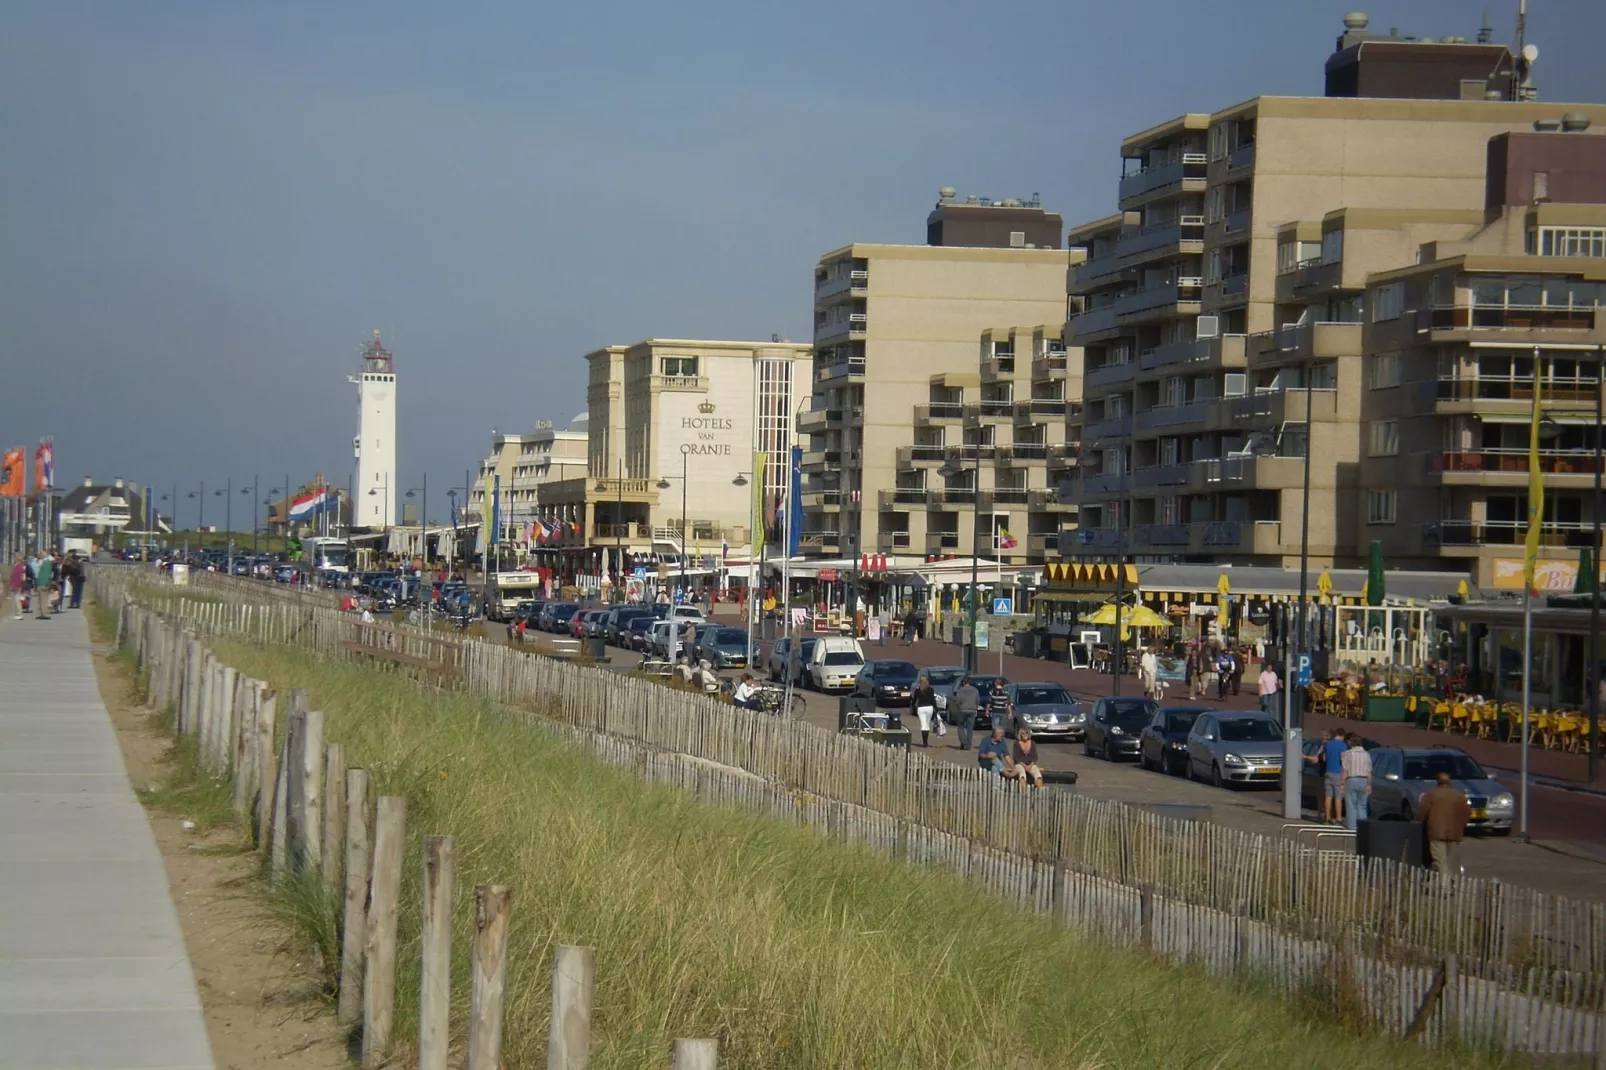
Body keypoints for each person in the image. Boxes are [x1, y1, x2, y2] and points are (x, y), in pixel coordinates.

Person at [1417, 771, 1472, 875]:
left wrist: (1422, 820)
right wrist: (1461, 825)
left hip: (1437, 832)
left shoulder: (1432, 794)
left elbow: (1422, 812)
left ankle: (1444, 888)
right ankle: (1451, 884)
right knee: (1450, 862)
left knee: (1440, 861)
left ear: (1438, 781)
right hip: (1454, 833)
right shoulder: (1459, 795)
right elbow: (1467, 813)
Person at [1303, 728, 1348, 825]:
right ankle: (1338, 818)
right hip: (1338, 772)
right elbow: (1344, 761)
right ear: (1342, 736)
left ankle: (1327, 818)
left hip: (1328, 772)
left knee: (1328, 796)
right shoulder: (1343, 745)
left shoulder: (1328, 745)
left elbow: (1324, 758)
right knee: (1338, 798)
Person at [1340, 734, 1372, 831]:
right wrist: (1369, 785)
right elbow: (1369, 771)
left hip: (1351, 779)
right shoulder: (1367, 754)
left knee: (1351, 805)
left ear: (1351, 743)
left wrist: (1342, 783)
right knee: (1362, 805)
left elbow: (1345, 770)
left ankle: (1352, 828)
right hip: (1364, 780)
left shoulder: (1347, 754)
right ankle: (1362, 828)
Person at [952, 676, 981, 750]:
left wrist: (960, 707)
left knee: (961, 726)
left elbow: (957, 701)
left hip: (963, 710)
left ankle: (963, 741)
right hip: (972, 710)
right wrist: (976, 708)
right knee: (970, 728)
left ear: (963, 682)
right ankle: (968, 745)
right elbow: (977, 701)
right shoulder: (975, 690)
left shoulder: (960, 690)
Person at [911, 673, 937, 747]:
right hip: (929, 708)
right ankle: (926, 741)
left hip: (921, 708)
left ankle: (924, 742)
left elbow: (914, 700)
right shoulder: (931, 689)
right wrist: (936, 708)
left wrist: (913, 706)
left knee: (923, 725)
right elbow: (933, 700)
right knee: (927, 724)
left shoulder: (918, 690)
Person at [31, 552, 54, 620]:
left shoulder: (47, 563)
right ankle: (42, 613)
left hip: (43, 584)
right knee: (40, 599)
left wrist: (45, 584)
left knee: (44, 599)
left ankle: (44, 614)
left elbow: (46, 574)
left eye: (41, 554)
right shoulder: (43, 562)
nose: (39, 555)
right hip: (40, 583)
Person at [8, 554, 27, 620]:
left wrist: (14, 585)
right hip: (15, 584)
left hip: (16, 585)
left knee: (16, 600)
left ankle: (19, 614)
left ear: (18, 559)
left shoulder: (18, 566)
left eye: (15, 558)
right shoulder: (17, 566)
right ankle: (16, 613)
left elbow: (17, 577)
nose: (14, 559)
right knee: (15, 600)